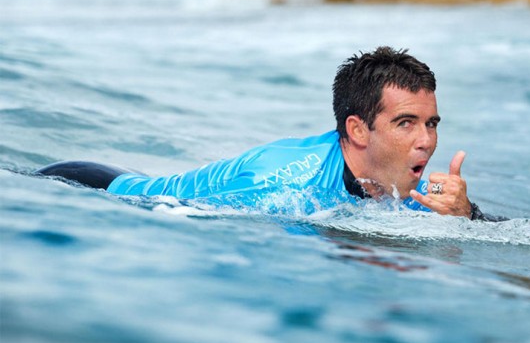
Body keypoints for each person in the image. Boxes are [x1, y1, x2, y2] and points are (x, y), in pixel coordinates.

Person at [36, 46, 501, 221]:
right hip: (97, 188)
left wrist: (467, 214)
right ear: (359, 130)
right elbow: (179, 225)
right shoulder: (281, 187)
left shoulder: (403, 175)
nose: (425, 141)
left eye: (431, 123)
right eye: (407, 123)